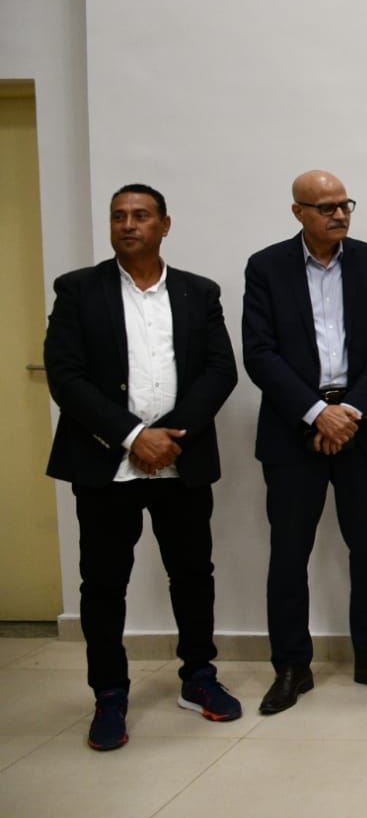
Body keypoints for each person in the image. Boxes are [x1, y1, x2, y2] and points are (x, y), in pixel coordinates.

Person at [44, 184, 241, 750]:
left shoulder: (199, 292)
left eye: (141, 215)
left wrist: (170, 437)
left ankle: (198, 677)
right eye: (119, 216)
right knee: (104, 585)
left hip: (181, 460)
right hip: (106, 465)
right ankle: (109, 695)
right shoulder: (79, 290)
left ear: (165, 225)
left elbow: (220, 370)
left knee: (193, 575)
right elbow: (66, 376)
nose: (128, 224)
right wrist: (134, 436)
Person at [242, 171, 367, 714]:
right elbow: (259, 353)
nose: (339, 215)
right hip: (292, 427)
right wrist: (318, 414)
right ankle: (292, 668)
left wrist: (349, 413)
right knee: (289, 553)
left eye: (345, 205)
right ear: (298, 212)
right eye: (326, 207)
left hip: (361, 424)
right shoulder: (266, 267)